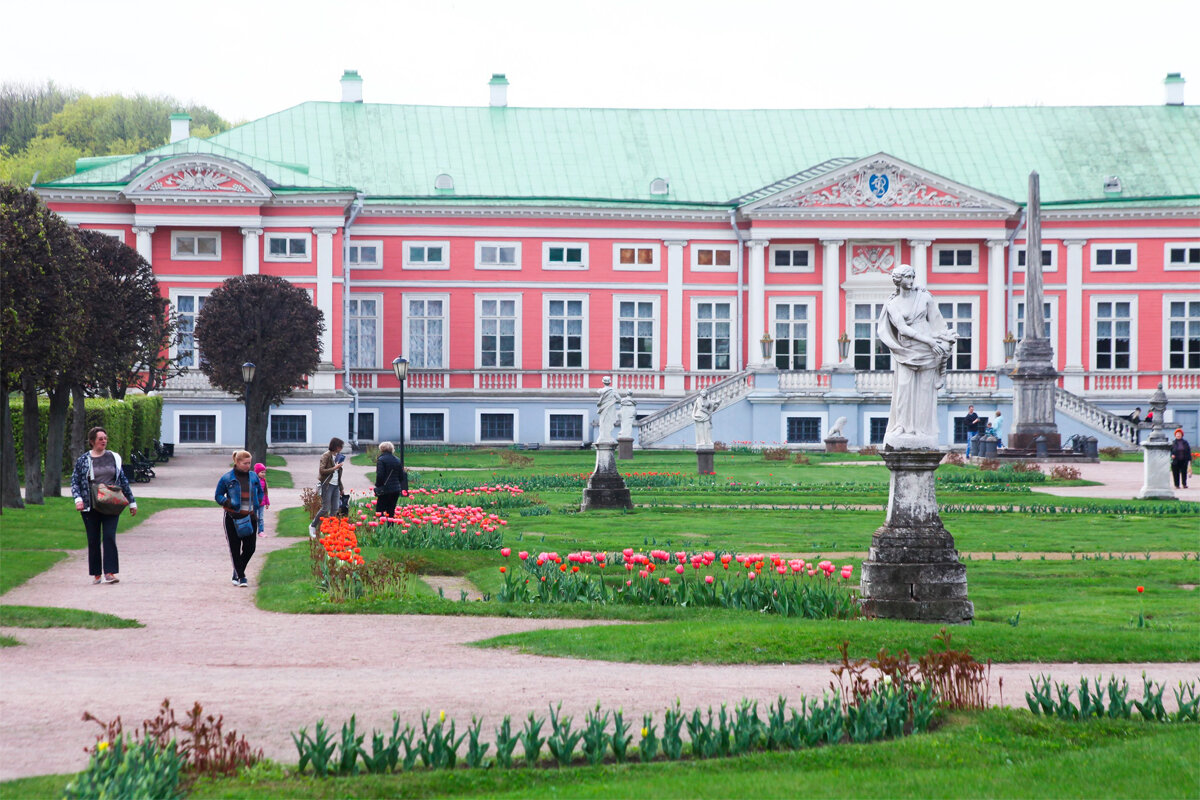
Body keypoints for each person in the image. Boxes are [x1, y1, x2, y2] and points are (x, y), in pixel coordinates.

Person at [876, 264, 957, 449]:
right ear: (898, 280)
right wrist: (929, 342)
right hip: (907, 349)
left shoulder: (924, 297)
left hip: (929, 349)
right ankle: (901, 426)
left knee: (924, 391)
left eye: (913, 277)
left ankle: (921, 429)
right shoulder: (892, 304)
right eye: (907, 277)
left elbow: (937, 322)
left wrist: (945, 339)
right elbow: (903, 329)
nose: (911, 281)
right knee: (904, 389)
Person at [70, 426, 138, 584]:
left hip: (111, 504)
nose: (103, 441)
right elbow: (75, 481)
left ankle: (110, 572)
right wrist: (78, 499)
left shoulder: (114, 457)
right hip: (90, 505)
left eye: (105, 438)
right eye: (100, 439)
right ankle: (96, 574)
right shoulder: (83, 460)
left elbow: (123, 481)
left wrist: (132, 502)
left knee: (109, 537)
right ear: (92, 441)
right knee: (93, 539)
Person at [215, 450, 264, 587]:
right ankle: (241, 577)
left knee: (250, 548)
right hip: (232, 518)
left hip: (250, 517)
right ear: (237, 462)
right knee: (235, 548)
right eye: (245, 463)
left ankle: (237, 571)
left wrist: (257, 503)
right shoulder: (227, 478)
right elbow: (218, 495)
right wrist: (227, 503)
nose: (248, 466)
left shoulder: (253, 477)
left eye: (249, 463)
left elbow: (260, 491)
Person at [308, 437, 345, 536]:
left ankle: (330, 530)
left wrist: (341, 488)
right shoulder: (326, 455)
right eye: (340, 446)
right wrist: (334, 468)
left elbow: (338, 475)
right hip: (327, 485)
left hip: (336, 485)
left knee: (335, 508)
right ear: (336, 446)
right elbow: (322, 471)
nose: (341, 448)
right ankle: (312, 525)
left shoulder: (338, 456)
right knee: (325, 508)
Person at [374, 441, 404, 518]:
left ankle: (381, 527)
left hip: (385, 489)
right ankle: (390, 527)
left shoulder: (381, 460)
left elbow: (380, 475)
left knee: (380, 509)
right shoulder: (397, 460)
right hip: (396, 489)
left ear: (381, 449)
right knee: (391, 510)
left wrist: (378, 485)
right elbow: (402, 476)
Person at [595, 376, 619, 444]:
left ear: (603, 382)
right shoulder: (613, 391)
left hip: (604, 409)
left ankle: (603, 437)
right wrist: (612, 401)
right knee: (609, 422)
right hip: (610, 409)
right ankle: (607, 437)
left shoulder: (600, 391)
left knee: (603, 422)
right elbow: (619, 400)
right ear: (610, 382)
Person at [253, 463, 270, 537]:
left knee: (261, 517)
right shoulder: (253, 481)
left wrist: (267, 502)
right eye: (262, 472)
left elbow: (265, 493)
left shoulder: (264, 481)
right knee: (254, 517)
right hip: (254, 503)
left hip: (262, 503)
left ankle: (261, 531)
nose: (263, 474)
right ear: (257, 472)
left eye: (264, 472)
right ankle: (253, 530)